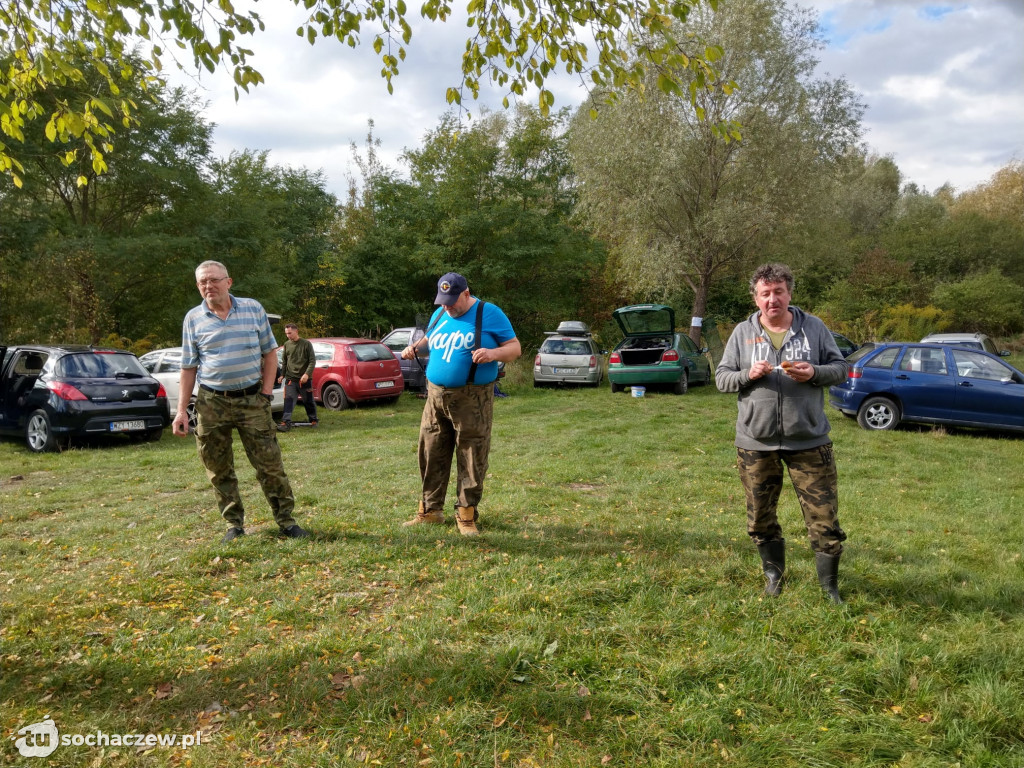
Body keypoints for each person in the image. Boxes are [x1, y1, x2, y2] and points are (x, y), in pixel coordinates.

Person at [716, 263, 848, 603]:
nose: (772, 299)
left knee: (824, 520)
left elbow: (840, 369)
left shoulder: (814, 328)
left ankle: (829, 588)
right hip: (755, 443)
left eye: (778, 292)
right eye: (765, 293)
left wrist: (814, 372)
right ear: (756, 298)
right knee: (760, 517)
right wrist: (748, 374)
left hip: (809, 441)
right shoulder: (742, 334)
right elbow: (722, 379)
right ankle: (774, 576)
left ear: (789, 294)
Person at [171, 261, 309, 542]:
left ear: (228, 281)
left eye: (213, 280)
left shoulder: (252, 308)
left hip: (251, 399)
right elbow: (188, 368)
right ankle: (234, 525)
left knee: (270, 465)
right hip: (211, 402)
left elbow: (270, 354)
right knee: (218, 467)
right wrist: (180, 412)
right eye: (202, 283)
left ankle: (287, 522)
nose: (208, 286)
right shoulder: (192, 319)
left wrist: (267, 392)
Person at [400, 272, 521, 536]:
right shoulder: (441, 314)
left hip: (472, 398)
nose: (447, 306)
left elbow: (515, 348)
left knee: (471, 455)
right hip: (435, 397)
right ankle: (430, 511)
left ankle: (466, 515)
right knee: (431, 452)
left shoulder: (489, 313)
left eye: (452, 301)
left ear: (466, 293)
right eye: (443, 301)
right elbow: (431, 340)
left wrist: (493, 354)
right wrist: (415, 348)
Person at [277, 323, 318, 431]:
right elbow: (285, 362)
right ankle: (285, 423)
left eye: (290, 333)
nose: (288, 335)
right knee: (288, 401)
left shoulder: (306, 344)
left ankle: (313, 420)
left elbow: (312, 361)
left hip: (304, 380)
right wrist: (282, 375)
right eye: (286, 333)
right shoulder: (286, 345)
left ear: (296, 331)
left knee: (308, 401)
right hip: (291, 379)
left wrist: (306, 374)